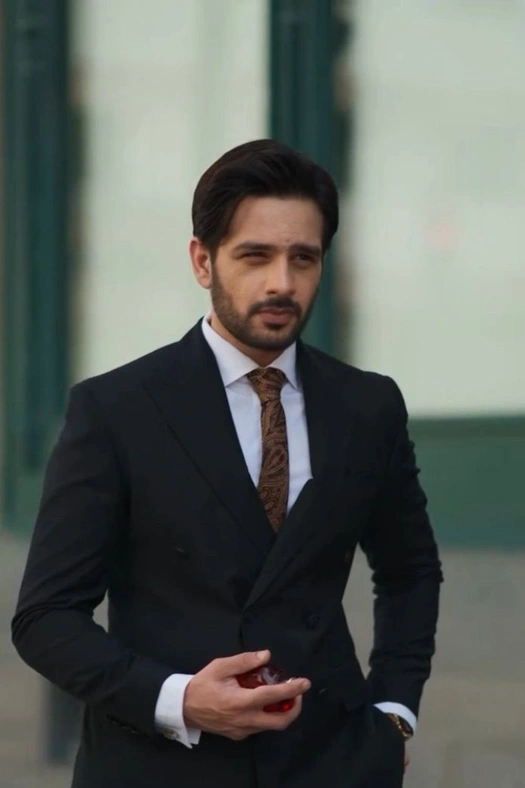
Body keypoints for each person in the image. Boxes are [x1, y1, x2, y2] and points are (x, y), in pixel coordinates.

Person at [12, 139, 443, 788]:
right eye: (255, 255)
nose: (281, 283)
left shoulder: (367, 406)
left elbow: (409, 571)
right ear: (202, 260)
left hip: (331, 761)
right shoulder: (115, 409)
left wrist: (394, 713)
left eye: (303, 258)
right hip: (160, 767)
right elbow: (46, 618)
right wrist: (179, 699)